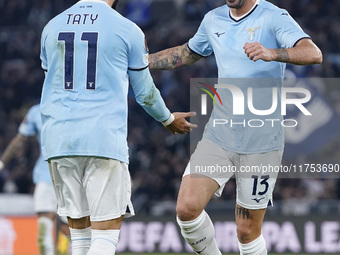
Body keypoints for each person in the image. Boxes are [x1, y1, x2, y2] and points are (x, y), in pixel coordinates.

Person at [148, 0, 322, 254]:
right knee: (186, 209)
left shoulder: (273, 16)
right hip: (220, 134)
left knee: (247, 231)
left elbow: (313, 53)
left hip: (262, 141)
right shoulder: (213, 19)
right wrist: (144, 61)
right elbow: (186, 53)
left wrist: (273, 53)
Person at [39, 0, 196, 254]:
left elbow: (51, 81)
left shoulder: (51, 27)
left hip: (58, 141)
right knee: (105, 236)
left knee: (80, 237)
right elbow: (145, 93)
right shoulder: (126, 29)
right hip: (102, 140)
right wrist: (168, 119)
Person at [0, 103, 70, 255]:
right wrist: (2, 163)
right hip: (46, 177)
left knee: (71, 229)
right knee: (44, 229)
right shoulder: (36, 111)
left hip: (71, 178)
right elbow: (19, 140)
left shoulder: (77, 107)